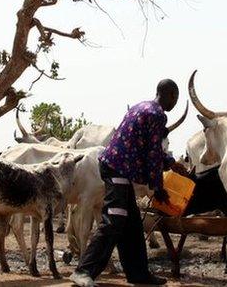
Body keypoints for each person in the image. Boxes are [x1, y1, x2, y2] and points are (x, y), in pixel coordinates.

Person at [70, 78, 187, 286]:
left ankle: (139, 274)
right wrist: (158, 188)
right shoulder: (157, 114)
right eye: (175, 98)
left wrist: (170, 163)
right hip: (118, 169)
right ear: (170, 95)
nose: (174, 103)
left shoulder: (141, 107)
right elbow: (152, 153)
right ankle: (84, 270)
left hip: (116, 166)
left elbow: (147, 147)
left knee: (132, 225)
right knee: (114, 220)